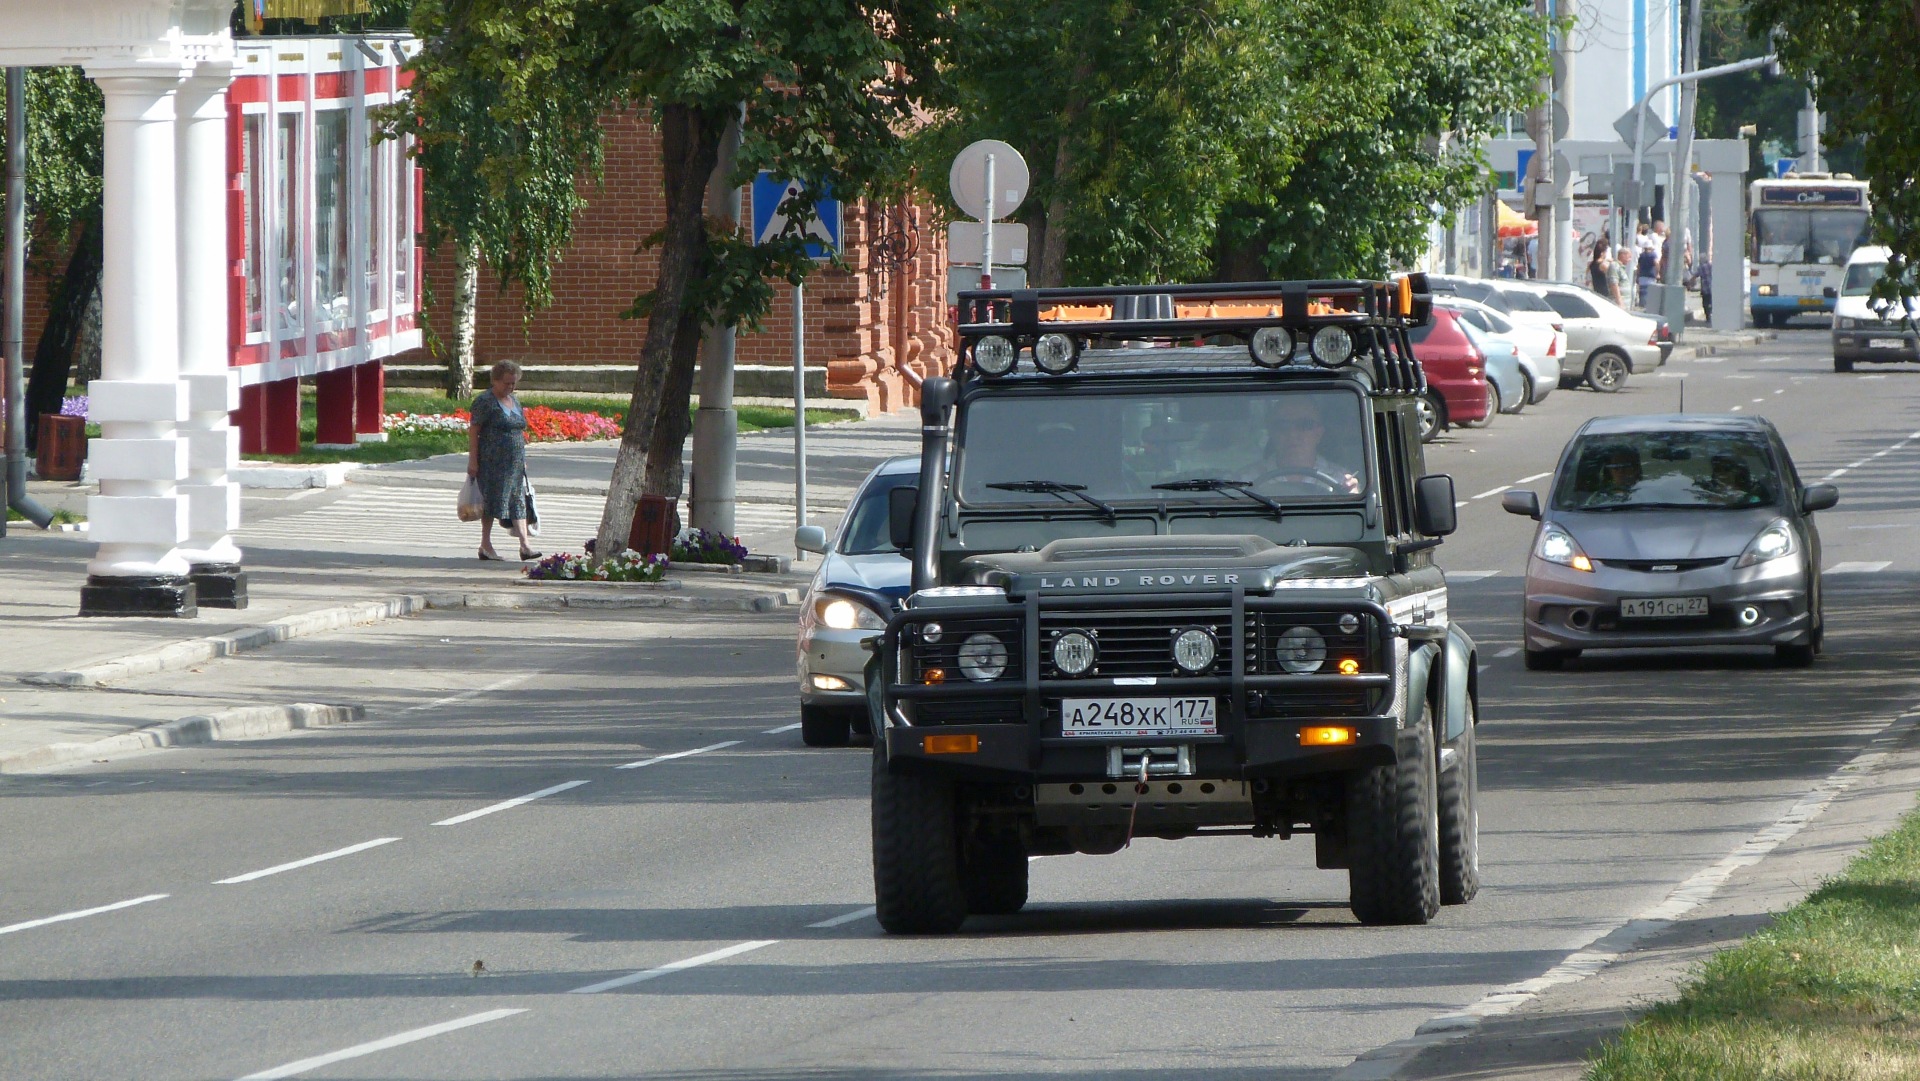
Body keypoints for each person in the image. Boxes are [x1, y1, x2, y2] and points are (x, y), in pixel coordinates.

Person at [468, 360, 541, 561]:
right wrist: (473, 461)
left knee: (518, 500)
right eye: (506, 383)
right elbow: (474, 431)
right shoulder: (485, 401)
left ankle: (525, 545)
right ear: (495, 381)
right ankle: (485, 544)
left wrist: (522, 458)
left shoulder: (514, 401)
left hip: (514, 463)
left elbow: (518, 429)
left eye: (513, 383)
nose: (510, 387)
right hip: (492, 461)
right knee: (491, 500)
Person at [1260, 397, 1361, 493]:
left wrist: (1352, 498)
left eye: (1305, 425)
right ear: (1271, 432)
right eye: (1283, 425)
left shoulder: (1341, 480)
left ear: (1319, 433)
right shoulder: (1251, 479)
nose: (1292, 434)